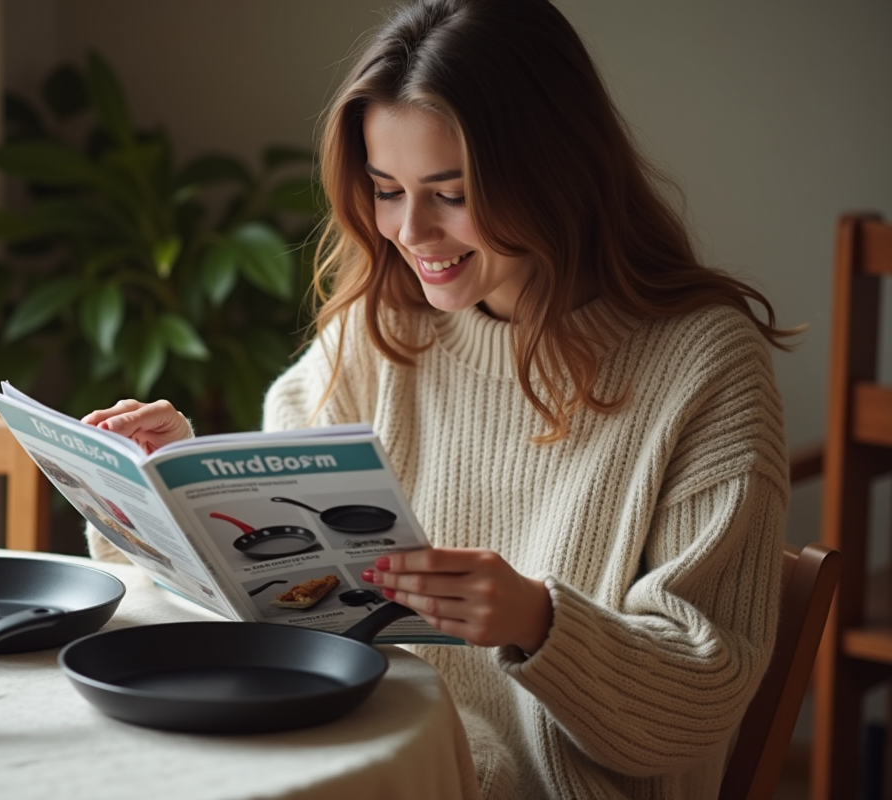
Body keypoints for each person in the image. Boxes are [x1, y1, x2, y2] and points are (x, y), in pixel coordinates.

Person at [82, 0, 795, 796]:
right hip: (366, 756)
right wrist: (178, 480)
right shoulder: (378, 328)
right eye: (386, 189)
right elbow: (279, 602)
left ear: (554, 172)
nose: (410, 232)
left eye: (451, 194)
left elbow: (702, 698)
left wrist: (537, 621)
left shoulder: (703, 365)